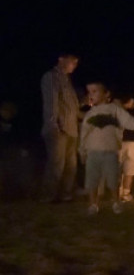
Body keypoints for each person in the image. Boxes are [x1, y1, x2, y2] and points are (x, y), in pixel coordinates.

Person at [79, 81, 134, 214]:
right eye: (89, 92)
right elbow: (84, 134)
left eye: (95, 91)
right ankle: (93, 204)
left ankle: (116, 202)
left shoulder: (115, 110)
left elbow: (131, 123)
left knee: (112, 179)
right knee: (92, 180)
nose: (91, 95)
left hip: (111, 151)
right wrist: (82, 150)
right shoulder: (90, 114)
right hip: (93, 152)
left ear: (106, 94)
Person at [40, 52, 80, 202]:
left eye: (76, 63)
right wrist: (53, 125)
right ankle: (48, 196)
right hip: (58, 129)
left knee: (71, 165)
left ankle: (66, 195)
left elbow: (71, 106)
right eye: (72, 62)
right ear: (61, 59)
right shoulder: (51, 77)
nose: (74, 66)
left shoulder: (66, 79)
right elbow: (51, 103)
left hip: (71, 129)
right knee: (56, 164)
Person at [115, 92, 134, 201]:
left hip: (130, 141)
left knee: (129, 168)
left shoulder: (120, 110)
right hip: (120, 142)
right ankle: (120, 193)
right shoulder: (117, 109)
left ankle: (124, 193)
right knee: (123, 168)